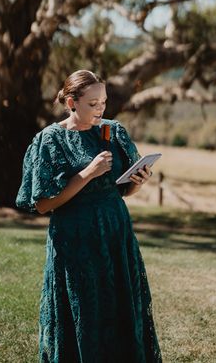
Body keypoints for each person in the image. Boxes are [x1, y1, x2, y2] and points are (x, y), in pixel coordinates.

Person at [16, 69, 163, 363]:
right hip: (75, 239)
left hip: (115, 233)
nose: (100, 110)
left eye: (104, 102)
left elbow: (121, 191)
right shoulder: (51, 140)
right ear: (71, 102)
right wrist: (87, 173)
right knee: (83, 309)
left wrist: (138, 181)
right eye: (92, 104)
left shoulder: (114, 131)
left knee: (120, 306)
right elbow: (44, 204)